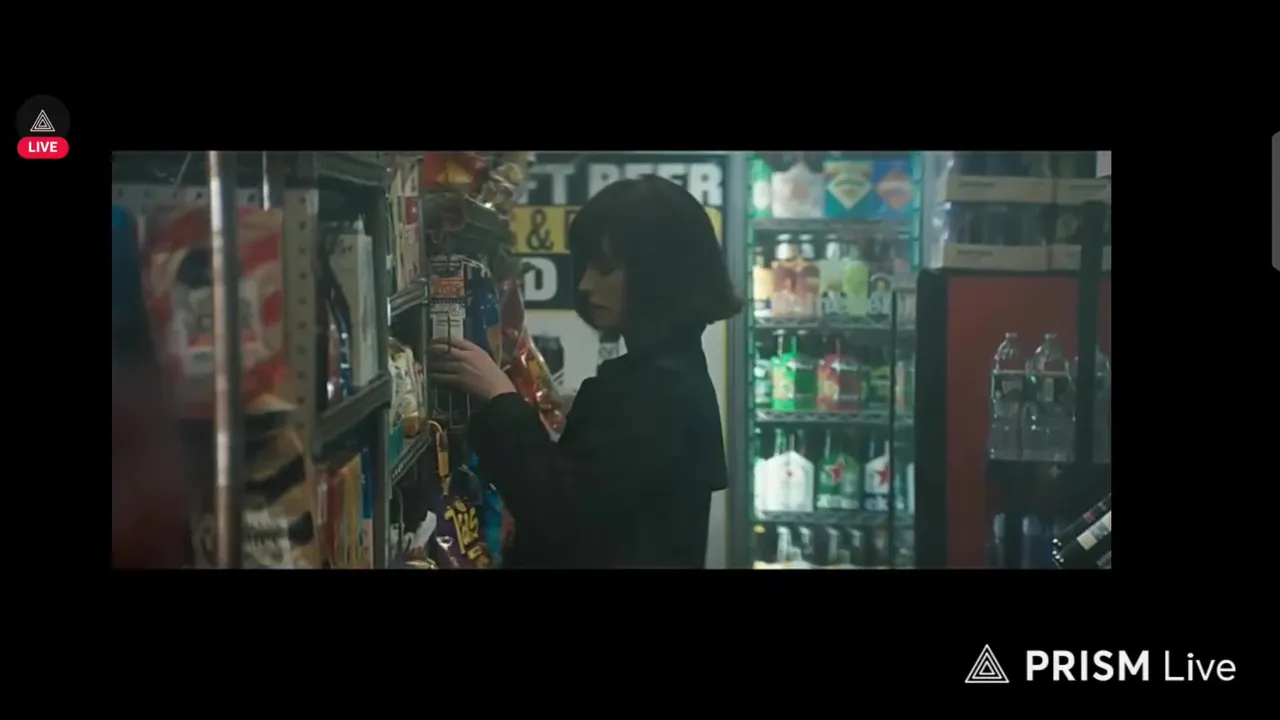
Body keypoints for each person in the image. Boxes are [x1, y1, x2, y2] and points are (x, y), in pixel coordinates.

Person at [430, 175, 741, 568]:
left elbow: (556, 512)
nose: (585, 283)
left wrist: (499, 398)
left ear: (661, 274)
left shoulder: (659, 390)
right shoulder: (671, 375)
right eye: (586, 264)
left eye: (606, 268)